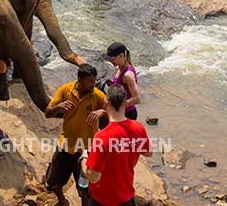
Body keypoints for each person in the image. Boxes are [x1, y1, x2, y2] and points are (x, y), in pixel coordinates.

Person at [45, 64, 106, 206]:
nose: (94, 84)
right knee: (53, 181)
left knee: (85, 190)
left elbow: (115, 114)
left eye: (95, 80)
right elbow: (48, 113)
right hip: (65, 144)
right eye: (90, 81)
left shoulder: (98, 95)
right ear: (80, 79)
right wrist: (58, 107)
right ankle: (62, 201)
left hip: (86, 151)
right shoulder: (66, 90)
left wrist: (102, 112)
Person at [80, 84, 152, 206]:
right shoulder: (138, 127)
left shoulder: (101, 137)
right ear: (125, 103)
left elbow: (93, 177)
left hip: (103, 199)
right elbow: (148, 152)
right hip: (126, 196)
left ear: (106, 102)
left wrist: (84, 158)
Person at [105, 42, 140, 121]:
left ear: (121, 56)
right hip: (119, 112)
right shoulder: (120, 68)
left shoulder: (128, 75)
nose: (110, 61)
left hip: (127, 114)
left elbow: (137, 98)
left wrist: (120, 105)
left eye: (112, 58)